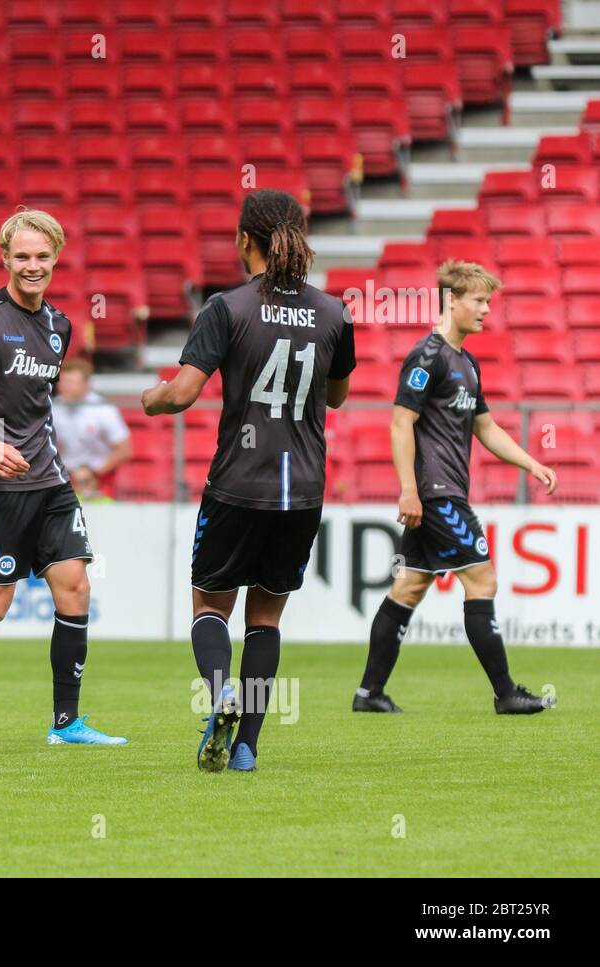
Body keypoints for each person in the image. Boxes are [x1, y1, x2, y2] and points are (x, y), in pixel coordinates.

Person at [141, 189, 355, 772]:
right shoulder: (334, 312)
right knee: (266, 618)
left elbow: (182, 394)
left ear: (244, 241)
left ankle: (221, 694)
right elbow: (336, 398)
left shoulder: (228, 307)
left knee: (210, 604)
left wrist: (152, 397)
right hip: (303, 488)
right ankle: (247, 748)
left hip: (239, 481)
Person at [0, 209, 126, 746]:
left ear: (56, 259)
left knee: (74, 587)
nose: (32, 267)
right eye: (22, 257)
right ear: (5, 258)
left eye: (42, 257)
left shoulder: (60, 326)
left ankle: (66, 723)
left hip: (50, 481)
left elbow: (36, 407)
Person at [354, 260, 557, 716]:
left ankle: (369, 693)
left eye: (488, 301)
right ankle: (506, 693)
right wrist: (409, 489)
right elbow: (400, 422)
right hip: (436, 491)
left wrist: (532, 462)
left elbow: (485, 429)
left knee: (408, 588)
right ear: (452, 301)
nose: (486, 310)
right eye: (479, 300)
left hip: (440, 492)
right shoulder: (427, 356)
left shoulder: (466, 362)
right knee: (482, 578)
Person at [52, 357, 132, 498]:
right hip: (64, 479)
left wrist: (93, 473)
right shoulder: (53, 407)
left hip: (100, 481)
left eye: (71, 382)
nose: (64, 386)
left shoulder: (103, 409)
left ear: (86, 385)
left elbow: (125, 450)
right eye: (62, 382)